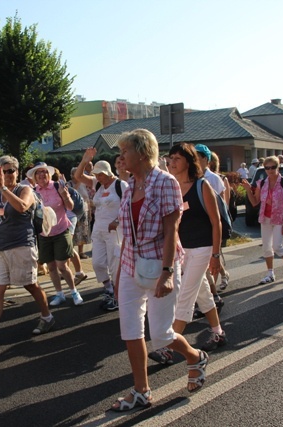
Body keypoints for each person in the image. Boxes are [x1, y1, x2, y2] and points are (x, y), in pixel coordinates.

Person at [109, 129, 207, 412]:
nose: (121, 156)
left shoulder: (165, 183)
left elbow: (171, 230)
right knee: (130, 329)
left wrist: (166, 273)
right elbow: (129, 233)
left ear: (141, 152)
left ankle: (194, 356)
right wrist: (118, 275)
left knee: (162, 335)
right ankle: (141, 391)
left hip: (159, 265)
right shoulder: (129, 184)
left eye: (125, 151)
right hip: (130, 265)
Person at [0, 155, 54, 347]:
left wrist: (4, 188)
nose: (6, 175)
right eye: (2, 171)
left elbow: (22, 206)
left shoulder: (25, 189)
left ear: (17, 172)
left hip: (21, 245)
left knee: (30, 284)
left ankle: (48, 317)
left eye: (10, 171)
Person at [166, 143, 227, 355]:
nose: (172, 162)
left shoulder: (202, 186)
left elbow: (216, 221)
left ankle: (169, 347)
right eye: (170, 158)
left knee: (185, 295)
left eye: (177, 159)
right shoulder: (172, 185)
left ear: (188, 162)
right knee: (201, 292)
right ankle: (218, 331)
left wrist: (216, 254)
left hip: (203, 248)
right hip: (182, 250)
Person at [75, 149, 129, 311]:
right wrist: (84, 160)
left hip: (115, 231)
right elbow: (78, 177)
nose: (98, 177)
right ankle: (108, 289)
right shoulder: (98, 184)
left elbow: (128, 206)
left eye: (100, 174)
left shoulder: (121, 185)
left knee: (114, 264)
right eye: (96, 174)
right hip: (98, 229)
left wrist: (118, 220)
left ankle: (118, 296)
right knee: (97, 263)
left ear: (108, 172)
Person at [27, 162, 84, 306]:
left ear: (49, 174)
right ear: (34, 176)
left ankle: (74, 292)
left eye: (44, 172)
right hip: (44, 234)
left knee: (62, 265)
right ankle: (59, 294)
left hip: (61, 230)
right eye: (38, 173)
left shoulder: (58, 186)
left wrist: (65, 195)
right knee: (51, 267)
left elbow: (70, 207)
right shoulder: (32, 191)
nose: (41, 175)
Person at [242, 156, 283, 284]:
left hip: (279, 219)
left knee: (277, 246)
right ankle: (270, 273)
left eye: (273, 167)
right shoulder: (262, 183)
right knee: (266, 247)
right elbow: (255, 202)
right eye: (267, 168)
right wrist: (248, 190)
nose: (270, 170)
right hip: (265, 218)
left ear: (278, 167)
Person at [194, 144, 228, 302]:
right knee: (206, 262)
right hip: (198, 227)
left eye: (198, 156)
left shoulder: (213, 178)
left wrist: (220, 225)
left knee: (212, 258)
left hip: (212, 225)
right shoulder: (192, 176)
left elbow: (222, 203)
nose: (195, 159)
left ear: (205, 159)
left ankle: (211, 296)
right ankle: (218, 281)